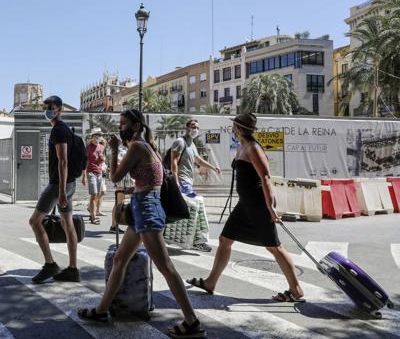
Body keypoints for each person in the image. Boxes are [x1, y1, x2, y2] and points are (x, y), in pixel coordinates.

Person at [78, 109, 206, 339]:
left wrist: (114, 149)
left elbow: (115, 176)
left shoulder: (137, 146)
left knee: (166, 266)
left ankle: (192, 321)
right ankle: (101, 311)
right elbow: (151, 180)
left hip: (147, 210)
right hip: (142, 207)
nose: (121, 127)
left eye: (124, 123)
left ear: (136, 126)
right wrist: (133, 189)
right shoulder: (148, 146)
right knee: (120, 259)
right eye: (120, 123)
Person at [186, 113, 304, 303]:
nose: (232, 128)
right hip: (245, 205)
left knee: (274, 247)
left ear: (239, 128)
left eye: (234, 126)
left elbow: (265, 177)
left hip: (257, 204)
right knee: (225, 240)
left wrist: (270, 206)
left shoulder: (253, 148)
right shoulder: (243, 146)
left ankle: (296, 289)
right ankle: (210, 282)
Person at [28, 95, 80, 283]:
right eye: (46, 107)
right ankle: (73, 269)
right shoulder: (65, 129)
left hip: (59, 185)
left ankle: (50, 265)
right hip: (69, 183)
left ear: (60, 109)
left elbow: (63, 161)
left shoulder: (58, 130)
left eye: (51, 107)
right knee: (67, 224)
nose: (47, 110)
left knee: (35, 221)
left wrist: (60, 192)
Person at [170, 118, 220, 252]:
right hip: (183, 182)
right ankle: (198, 241)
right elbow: (173, 162)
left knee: (189, 213)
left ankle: (188, 239)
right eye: (193, 126)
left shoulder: (191, 144)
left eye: (197, 127)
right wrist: (176, 182)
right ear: (186, 128)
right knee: (194, 212)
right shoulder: (180, 142)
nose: (195, 129)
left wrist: (213, 167)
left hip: (188, 182)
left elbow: (198, 160)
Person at [81, 128, 105, 225]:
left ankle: (92, 212)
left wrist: (103, 159)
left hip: (99, 172)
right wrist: (84, 176)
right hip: (91, 172)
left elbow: (103, 159)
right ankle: (93, 216)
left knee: (98, 194)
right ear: (92, 136)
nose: (98, 136)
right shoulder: (88, 147)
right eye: (96, 135)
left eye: (100, 135)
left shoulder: (101, 147)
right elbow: (84, 162)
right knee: (94, 194)